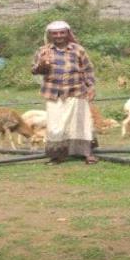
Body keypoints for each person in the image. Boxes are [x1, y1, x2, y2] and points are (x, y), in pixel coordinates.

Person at [31, 20, 99, 165]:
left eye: (62, 33)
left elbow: (88, 69)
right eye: (55, 33)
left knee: (81, 124)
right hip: (54, 93)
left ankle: (87, 154)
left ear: (68, 34)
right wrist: (42, 64)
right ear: (50, 35)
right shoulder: (43, 51)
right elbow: (35, 71)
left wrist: (91, 87)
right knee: (56, 125)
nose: (59, 36)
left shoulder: (78, 49)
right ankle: (58, 155)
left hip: (76, 91)